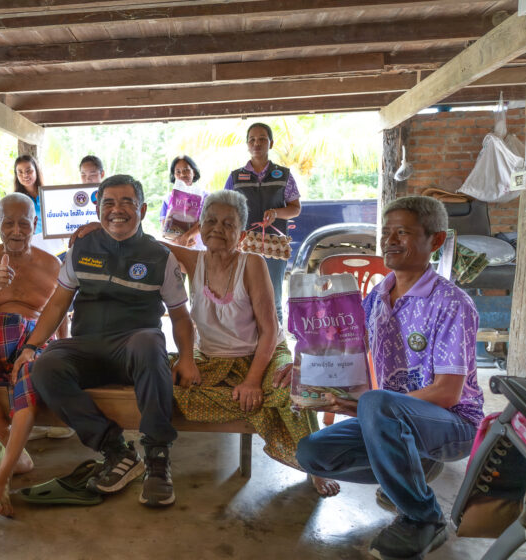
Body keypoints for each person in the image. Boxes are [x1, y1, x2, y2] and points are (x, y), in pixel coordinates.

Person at [295, 196, 484, 560]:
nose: (390, 240)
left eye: (403, 232)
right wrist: (304, 368)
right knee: (312, 454)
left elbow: (448, 393)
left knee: (376, 403)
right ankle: (409, 471)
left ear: (436, 240)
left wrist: (368, 407)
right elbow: (346, 352)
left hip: (454, 424)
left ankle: (424, 517)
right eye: (386, 232)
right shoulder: (378, 296)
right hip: (392, 419)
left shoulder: (451, 303)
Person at [19, 174, 199, 509]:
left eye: (127, 202)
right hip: (88, 347)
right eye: (109, 203)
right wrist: (31, 346)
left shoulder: (160, 257)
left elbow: (180, 316)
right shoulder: (80, 249)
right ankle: (116, 450)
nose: (117, 210)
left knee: (149, 342)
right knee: (46, 365)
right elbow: (57, 304)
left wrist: (187, 357)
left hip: (135, 350)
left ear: (142, 210)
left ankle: (157, 459)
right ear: (98, 209)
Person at [161, 190, 339, 496]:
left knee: (293, 388)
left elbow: (270, 330)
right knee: (170, 384)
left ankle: (315, 466)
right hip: (213, 359)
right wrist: (99, 228)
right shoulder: (193, 260)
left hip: (263, 355)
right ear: (200, 228)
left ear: (242, 235)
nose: (217, 228)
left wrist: (253, 382)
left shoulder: (252, 263)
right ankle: (257, 407)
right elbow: (147, 244)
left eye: (228, 224)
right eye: (210, 221)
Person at [0, 193, 69, 516]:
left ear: (35, 224)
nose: (16, 231)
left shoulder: (52, 264)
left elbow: (60, 317)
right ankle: (12, 447)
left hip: (35, 339)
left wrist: (63, 349)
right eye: (8, 223)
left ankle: (3, 475)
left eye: (24, 223)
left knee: (29, 373)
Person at [223, 122, 301, 323]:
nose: (256, 143)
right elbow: (225, 209)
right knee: (242, 298)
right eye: (252, 140)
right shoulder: (235, 177)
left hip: (274, 247)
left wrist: (276, 213)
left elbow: (295, 208)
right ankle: (246, 340)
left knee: (273, 299)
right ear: (247, 144)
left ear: (271, 143)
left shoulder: (284, 175)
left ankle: (277, 340)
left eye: (262, 139)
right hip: (243, 245)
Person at [13, 154, 64, 255]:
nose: (25, 175)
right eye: (20, 172)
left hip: (56, 246)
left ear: (36, 170)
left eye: (29, 171)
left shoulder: (50, 194)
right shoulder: (16, 200)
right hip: (33, 249)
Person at [160, 155, 208, 248]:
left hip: (199, 248)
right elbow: (164, 225)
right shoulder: (168, 199)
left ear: (194, 172)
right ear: (174, 175)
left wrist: (187, 237)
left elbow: (206, 221)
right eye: (178, 172)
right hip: (175, 248)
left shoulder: (206, 197)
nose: (182, 175)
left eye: (186, 170)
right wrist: (177, 241)